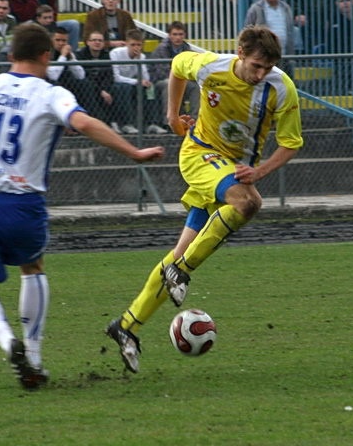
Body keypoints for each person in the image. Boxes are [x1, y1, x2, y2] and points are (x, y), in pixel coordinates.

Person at [0, 23, 163, 389]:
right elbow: (83, 122)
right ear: (46, 56)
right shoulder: (52, 93)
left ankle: (6, 341)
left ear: (10, 56)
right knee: (32, 266)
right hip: (25, 205)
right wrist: (134, 151)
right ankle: (33, 357)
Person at [106, 26, 303, 373]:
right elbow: (179, 65)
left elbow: (291, 143)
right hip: (200, 154)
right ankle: (178, 273)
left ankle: (126, 326)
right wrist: (171, 116)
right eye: (256, 65)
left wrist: (260, 171)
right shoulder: (212, 67)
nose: (261, 74)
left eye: (267, 68)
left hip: (232, 170)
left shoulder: (282, 89)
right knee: (248, 203)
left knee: (183, 248)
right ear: (240, 52)